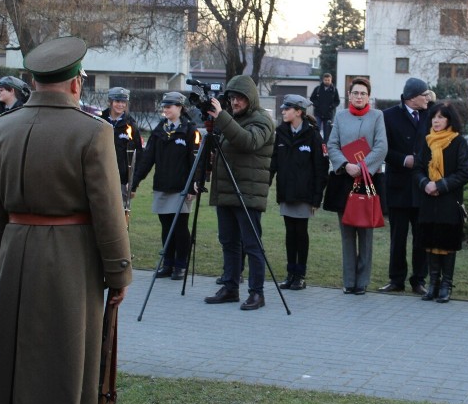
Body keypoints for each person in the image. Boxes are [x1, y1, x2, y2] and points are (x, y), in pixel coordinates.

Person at [0, 36, 132, 404]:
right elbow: (109, 211)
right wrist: (119, 274)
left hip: (16, 252)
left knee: (20, 352)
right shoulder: (92, 131)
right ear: (76, 83)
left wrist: (4, 257)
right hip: (71, 257)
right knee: (68, 356)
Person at [203, 75, 275, 311]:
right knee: (229, 242)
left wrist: (222, 117)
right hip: (227, 190)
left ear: (250, 98)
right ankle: (230, 287)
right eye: (232, 97)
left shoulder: (262, 120)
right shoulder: (231, 119)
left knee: (251, 244)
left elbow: (248, 142)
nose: (234, 102)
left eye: (240, 98)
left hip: (248, 193)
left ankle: (257, 292)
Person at [325, 77, 387, 295]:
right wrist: (345, 164)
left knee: (366, 234)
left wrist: (362, 167)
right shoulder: (340, 116)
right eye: (355, 93)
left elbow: (381, 147)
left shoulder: (377, 116)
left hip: (368, 180)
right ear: (349, 95)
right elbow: (332, 144)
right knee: (347, 233)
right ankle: (349, 280)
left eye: (363, 93)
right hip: (344, 179)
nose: (359, 97)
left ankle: (362, 281)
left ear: (368, 96)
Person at [132, 92, 197, 281]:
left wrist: (194, 186)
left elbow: (195, 160)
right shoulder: (159, 130)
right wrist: (135, 182)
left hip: (181, 187)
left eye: (170, 106)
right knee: (166, 225)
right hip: (162, 185)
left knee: (180, 227)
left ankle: (180, 265)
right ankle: (168, 263)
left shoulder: (189, 130)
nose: (166, 109)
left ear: (180, 108)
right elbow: (147, 159)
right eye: (165, 106)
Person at [413, 102, 468, 303]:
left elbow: (464, 172)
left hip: (449, 200)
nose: (436, 121)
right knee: (430, 242)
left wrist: (440, 185)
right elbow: (418, 168)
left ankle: (446, 284)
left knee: (446, 243)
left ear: (449, 120)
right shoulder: (426, 141)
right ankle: (433, 284)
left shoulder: (458, 142)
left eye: (441, 117)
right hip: (428, 200)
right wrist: (425, 183)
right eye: (434, 117)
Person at [270, 94, 329, 290]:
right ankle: (290, 274)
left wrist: (316, 198)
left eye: (287, 109)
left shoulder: (313, 135)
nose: (283, 112)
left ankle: (300, 275)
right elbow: (274, 163)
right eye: (283, 109)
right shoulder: (281, 132)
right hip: (287, 192)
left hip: (304, 195)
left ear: (299, 112)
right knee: (289, 234)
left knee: (300, 233)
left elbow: (321, 168)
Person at [379, 77, 430, 295]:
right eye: (424, 94)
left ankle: (419, 280)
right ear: (411, 97)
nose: (428, 98)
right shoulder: (389, 116)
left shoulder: (432, 114)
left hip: (422, 186)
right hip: (398, 185)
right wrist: (402, 160)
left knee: (422, 236)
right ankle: (396, 279)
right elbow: (382, 148)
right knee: (397, 237)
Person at [101, 86, 144, 203]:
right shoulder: (100, 121)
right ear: (110, 102)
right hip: (101, 176)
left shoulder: (130, 125)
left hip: (122, 180)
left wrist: (132, 182)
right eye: (117, 101)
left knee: (121, 215)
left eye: (123, 102)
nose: (120, 105)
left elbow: (138, 154)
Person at [310, 72, 341, 142]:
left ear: (331, 80)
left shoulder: (334, 90)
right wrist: (316, 104)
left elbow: (337, 101)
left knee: (327, 133)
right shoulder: (317, 89)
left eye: (328, 80)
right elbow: (312, 98)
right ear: (323, 80)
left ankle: (326, 148)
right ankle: (316, 145)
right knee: (316, 131)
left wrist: (332, 106)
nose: (327, 81)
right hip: (318, 114)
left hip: (329, 115)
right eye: (325, 80)